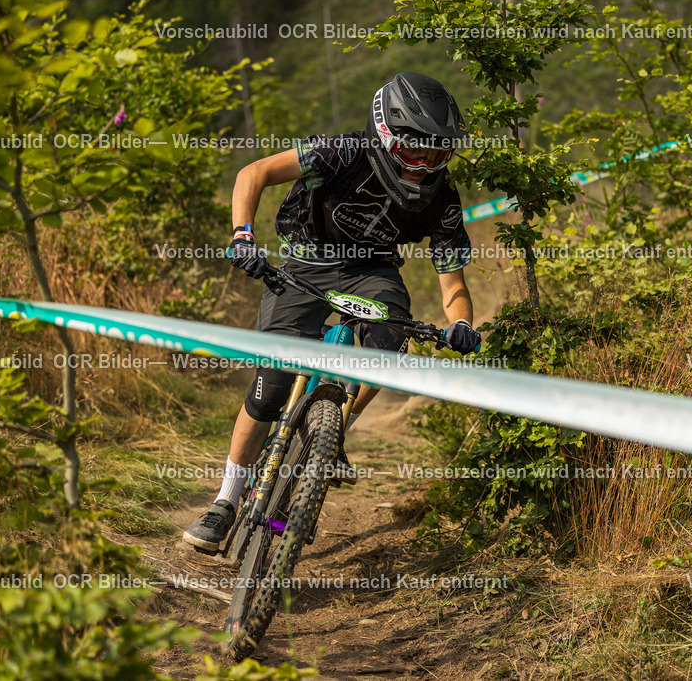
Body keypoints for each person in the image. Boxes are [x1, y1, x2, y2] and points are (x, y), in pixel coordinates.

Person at [183, 72, 481, 551]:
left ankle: (333, 431)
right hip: (306, 259)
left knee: (388, 349)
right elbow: (252, 173)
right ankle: (225, 501)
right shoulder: (342, 151)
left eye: (438, 155)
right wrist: (243, 237)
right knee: (271, 386)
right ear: (384, 136)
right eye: (412, 153)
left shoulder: (443, 197)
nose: (423, 168)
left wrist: (462, 324)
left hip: (374, 273)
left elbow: (454, 287)